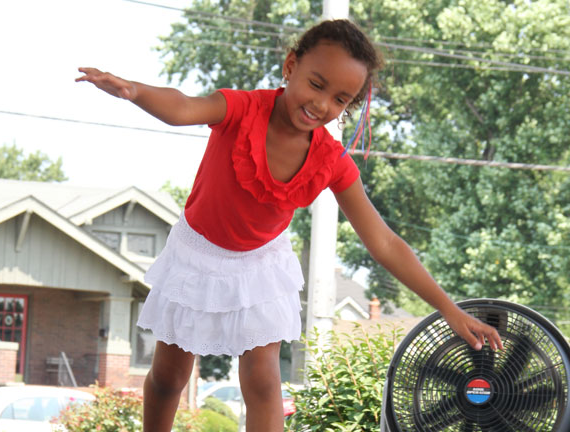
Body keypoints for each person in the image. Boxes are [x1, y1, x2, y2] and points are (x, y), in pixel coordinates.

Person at [76, 19, 503, 432]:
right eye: (317, 84)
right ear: (290, 65)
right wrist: (134, 91)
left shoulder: (331, 160)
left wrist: (450, 310)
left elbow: (385, 242)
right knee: (170, 377)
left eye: (339, 99)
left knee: (263, 380)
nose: (322, 105)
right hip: (199, 254)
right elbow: (184, 107)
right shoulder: (241, 108)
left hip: (260, 265)